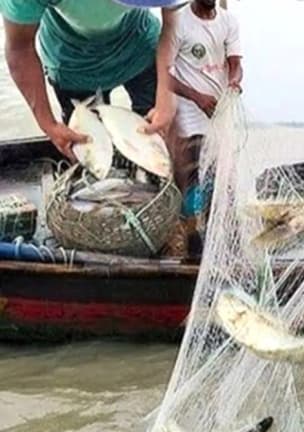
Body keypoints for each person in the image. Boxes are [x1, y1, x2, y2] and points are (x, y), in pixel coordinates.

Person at [0, 0, 183, 160]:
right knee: (91, 152)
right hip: (73, 63)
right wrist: (48, 123)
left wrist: (167, 95)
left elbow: (174, 25)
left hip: (140, 44)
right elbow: (20, 48)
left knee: (158, 139)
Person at [167, 0, 242, 257]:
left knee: (223, 184)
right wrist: (196, 96)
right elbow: (164, 75)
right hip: (188, 120)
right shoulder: (177, 22)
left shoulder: (228, 21)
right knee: (191, 184)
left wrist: (233, 82)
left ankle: (228, 246)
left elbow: (235, 63)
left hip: (219, 118)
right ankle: (192, 245)